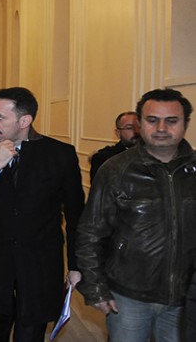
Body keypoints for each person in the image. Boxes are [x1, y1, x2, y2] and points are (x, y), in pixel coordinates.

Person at [0, 87, 84, 342]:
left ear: (24, 121)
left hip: (38, 266)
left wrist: (76, 265)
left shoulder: (60, 155)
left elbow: (75, 214)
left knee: (30, 335)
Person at [76, 88, 196, 342]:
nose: (161, 128)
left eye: (171, 120)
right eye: (152, 120)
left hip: (185, 299)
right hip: (128, 298)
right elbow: (91, 232)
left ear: (185, 123)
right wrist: (95, 287)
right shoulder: (116, 170)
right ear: (141, 124)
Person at [88, 111, 140, 183]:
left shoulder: (153, 154)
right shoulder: (104, 158)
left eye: (139, 127)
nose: (136, 131)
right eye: (129, 128)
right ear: (118, 133)